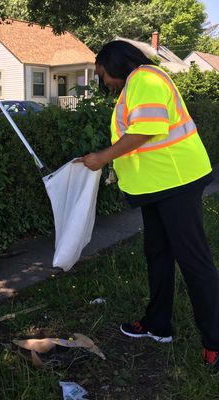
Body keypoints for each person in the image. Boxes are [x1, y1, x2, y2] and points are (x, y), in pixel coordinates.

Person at [75, 40, 219, 373]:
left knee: (194, 261)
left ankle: (214, 342)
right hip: (157, 187)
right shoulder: (134, 87)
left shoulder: (146, 78)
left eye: (103, 75)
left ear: (115, 63)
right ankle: (157, 325)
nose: (104, 83)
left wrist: (102, 158)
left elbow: (146, 131)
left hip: (177, 182)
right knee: (157, 253)